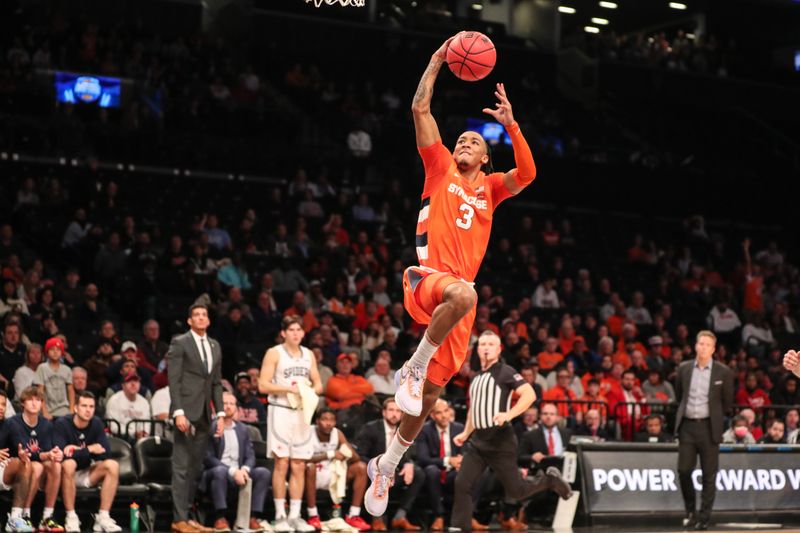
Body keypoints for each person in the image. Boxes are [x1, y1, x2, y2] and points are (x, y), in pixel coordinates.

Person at [365, 32, 541, 517]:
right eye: (461, 138)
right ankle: (413, 365)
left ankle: (386, 464)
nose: (464, 143)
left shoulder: (491, 187)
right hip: (427, 279)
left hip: (457, 301)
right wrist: (437, 60)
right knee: (465, 296)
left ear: (485, 156)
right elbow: (421, 109)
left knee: (427, 402)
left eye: (473, 142)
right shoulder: (438, 166)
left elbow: (526, 174)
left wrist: (513, 126)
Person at [451, 332, 571, 532]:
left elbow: (529, 394)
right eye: (483, 344)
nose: (487, 347)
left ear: (498, 349)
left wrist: (509, 414)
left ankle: (550, 480)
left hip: (500, 441)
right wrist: (465, 433)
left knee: (517, 491)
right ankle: (459, 528)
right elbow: (475, 409)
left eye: (491, 344)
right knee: (462, 483)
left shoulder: (505, 371)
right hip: (478, 442)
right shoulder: (476, 377)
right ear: (477, 349)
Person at [258, 316, 323, 532]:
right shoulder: (274, 353)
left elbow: (319, 385)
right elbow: (263, 385)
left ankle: (295, 516)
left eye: (298, 329)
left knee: (299, 464)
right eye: (291, 329)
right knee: (282, 463)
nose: (295, 333)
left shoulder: (309, 355)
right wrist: (289, 389)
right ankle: (280, 515)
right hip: (281, 411)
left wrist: (308, 390)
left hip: (302, 412)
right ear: (284, 333)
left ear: (303, 333)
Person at [167, 304, 225, 533]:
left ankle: (188, 516)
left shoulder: (214, 345)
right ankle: (178, 519)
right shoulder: (180, 342)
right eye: (196, 315)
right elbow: (174, 379)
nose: (201, 318)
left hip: (204, 414)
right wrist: (178, 411)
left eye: (204, 315)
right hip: (186, 412)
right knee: (181, 467)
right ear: (189, 321)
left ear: (208, 321)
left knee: (194, 468)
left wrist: (220, 414)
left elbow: (217, 383)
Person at [674, 331, 734, 531]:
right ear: (695, 345)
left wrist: (715, 417)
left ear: (713, 349)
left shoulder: (723, 372)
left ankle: (704, 517)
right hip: (688, 427)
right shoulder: (683, 368)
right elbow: (678, 395)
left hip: (709, 428)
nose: (703, 347)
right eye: (701, 343)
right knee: (683, 470)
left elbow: (727, 403)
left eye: (708, 344)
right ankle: (690, 512)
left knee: (709, 475)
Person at [200, 391, 273, 533]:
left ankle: (252, 517)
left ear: (236, 408)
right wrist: (233, 471)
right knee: (220, 471)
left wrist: (245, 469)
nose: (228, 406)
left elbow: (250, 456)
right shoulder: (210, 427)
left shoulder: (243, 429)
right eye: (224, 403)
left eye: (231, 404)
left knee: (263, 472)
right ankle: (220, 517)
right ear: (217, 407)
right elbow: (208, 458)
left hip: (239, 472)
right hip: (217, 472)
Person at [54, 391, 122, 532]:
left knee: (112, 465)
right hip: (66, 475)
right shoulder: (62, 424)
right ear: (76, 408)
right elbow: (61, 455)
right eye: (84, 406)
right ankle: (71, 517)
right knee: (69, 464)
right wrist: (90, 449)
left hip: (87, 472)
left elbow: (105, 453)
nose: (88, 410)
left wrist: (75, 450)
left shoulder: (96, 423)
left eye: (91, 406)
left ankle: (103, 517)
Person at [354, 398, 424, 531]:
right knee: (377, 475)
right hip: (375, 471)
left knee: (419, 473)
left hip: (396, 473)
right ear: (383, 412)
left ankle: (400, 517)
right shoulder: (370, 428)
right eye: (391, 410)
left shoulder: (406, 429)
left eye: (398, 411)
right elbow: (360, 455)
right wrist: (378, 466)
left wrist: (409, 463)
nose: (395, 414)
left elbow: (412, 454)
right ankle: (377, 519)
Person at [4, 386, 64, 531]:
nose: (34, 403)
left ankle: (47, 517)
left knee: (56, 465)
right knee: (34, 465)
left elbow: (48, 450)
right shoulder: (13, 422)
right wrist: (46, 454)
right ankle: (25, 515)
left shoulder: (47, 424)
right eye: (30, 399)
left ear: (42, 403)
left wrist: (56, 453)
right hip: (18, 469)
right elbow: (25, 453)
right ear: (22, 403)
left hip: (39, 467)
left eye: (38, 400)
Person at [305, 408, 370, 531]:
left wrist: (347, 452)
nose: (328, 423)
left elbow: (355, 458)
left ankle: (353, 515)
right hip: (312, 475)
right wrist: (330, 454)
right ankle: (313, 515)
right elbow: (303, 459)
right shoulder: (309, 432)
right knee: (310, 467)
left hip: (333, 475)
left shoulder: (337, 433)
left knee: (361, 467)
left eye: (332, 420)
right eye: (324, 419)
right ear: (317, 421)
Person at [415, 399, 464, 530]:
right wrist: (448, 461)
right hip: (434, 471)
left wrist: (461, 461)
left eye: (446, 411)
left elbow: (466, 451)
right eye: (439, 412)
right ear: (432, 415)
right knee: (432, 471)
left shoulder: (459, 428)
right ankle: (439, 516)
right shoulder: (424, 430)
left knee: (467, 472)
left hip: (454, 472)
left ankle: (464, 517)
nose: (444, 415)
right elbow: (422, 458)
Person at [0, 389, 34, 532]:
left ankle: (15, 518)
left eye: (3, 404)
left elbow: (20, 444)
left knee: (24, 464)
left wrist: (22, 452)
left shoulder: (9, 424)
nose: (1, 408)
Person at [33, 337, 74, 420]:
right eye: (52, 349)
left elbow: (70, 390)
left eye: (58, 350)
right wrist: (44, 411)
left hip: (64, 410)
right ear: (47, 352)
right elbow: (40, 390)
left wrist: (71, 410)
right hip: (48, 410)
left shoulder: (67, 369)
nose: (55, 352)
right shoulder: (42, 368)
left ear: (62, 353)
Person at [105, 372, 152, 440]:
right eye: (129, 381)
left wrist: (143, 432)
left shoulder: (144, 402)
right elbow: (113, 427)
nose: (133, 384)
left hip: (140, 438)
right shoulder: (114, 400)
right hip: (119, 438)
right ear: (123, 385)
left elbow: (147, 424)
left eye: (136, 381)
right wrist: (133, 433)